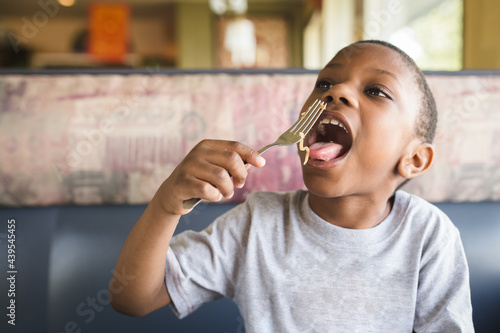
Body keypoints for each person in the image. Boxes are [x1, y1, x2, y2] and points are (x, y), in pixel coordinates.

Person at [109, 40, 474, 332]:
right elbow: (132, 299)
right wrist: (166, 204)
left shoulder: (429, 236)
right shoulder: (258, 223)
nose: (337, 91)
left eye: (377, 90)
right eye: (326, 83)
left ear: (413, 159)